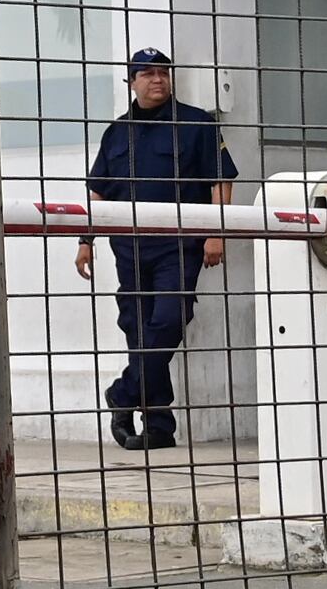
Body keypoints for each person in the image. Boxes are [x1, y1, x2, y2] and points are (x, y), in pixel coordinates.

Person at [73, 49, 237, 452]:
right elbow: (99, 192)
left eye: (163, 72)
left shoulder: (196, 124)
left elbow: (221, 180)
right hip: (128, 247)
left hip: (178, 245)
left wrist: (217, 234)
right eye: (146, 74)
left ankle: (123, 392)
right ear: (131, 82)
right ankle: (159, 426)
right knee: (138, 329)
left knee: (168, 318)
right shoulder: (117, 132)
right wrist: (85, 240)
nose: (157, 79)